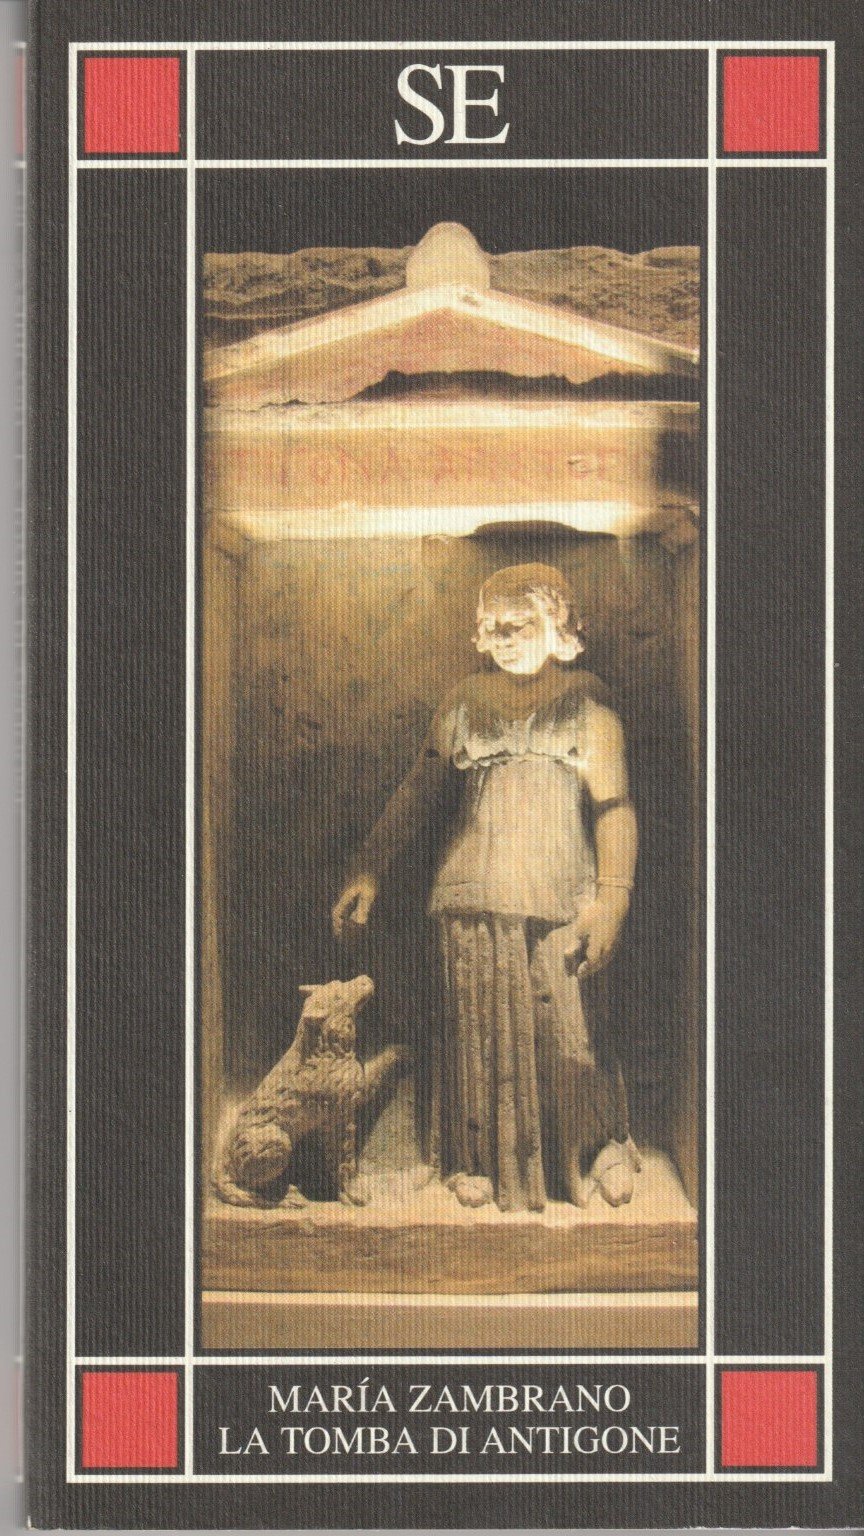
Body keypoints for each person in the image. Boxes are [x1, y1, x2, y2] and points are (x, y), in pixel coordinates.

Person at [332, 564, 639, 1212]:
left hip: (560, 890)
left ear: (557, 626)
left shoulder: (586, 701)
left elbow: (614, 805)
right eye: (493, 625)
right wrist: (369, 867)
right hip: (470, 889)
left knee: (570, 1031)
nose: (504, 636)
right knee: (475, 1033)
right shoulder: (465, 701)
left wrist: (613, 900)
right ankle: (476, 1158)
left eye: (519, 623)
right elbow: (419, 790)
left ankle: (593, 1146)